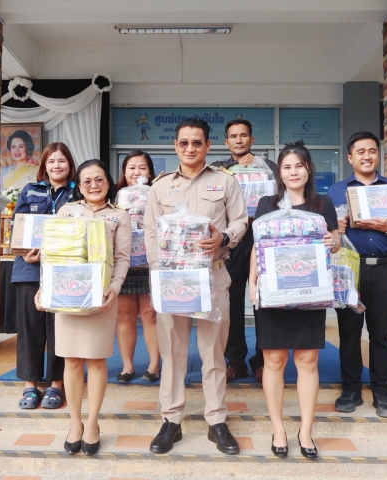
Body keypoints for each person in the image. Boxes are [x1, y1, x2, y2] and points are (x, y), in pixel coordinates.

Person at [143, 117, 248, 455]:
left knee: (213, 353)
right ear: (176, 146)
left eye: (197, 142)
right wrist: (159, 274)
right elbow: (150, 232)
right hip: (172, 280)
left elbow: (241, 221)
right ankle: (171, 421)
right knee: (172, 353)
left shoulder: (225, 181)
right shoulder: (160, 186)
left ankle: (216, 421)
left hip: (212, 276)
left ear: (208, 146)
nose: (190, 148)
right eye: (184, 143)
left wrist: (224, 238)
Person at [248, 141, 340, 459]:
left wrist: (332, 241)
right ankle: (278, 428)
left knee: (307, 361)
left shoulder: (322, 203)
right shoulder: (266, 204)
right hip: (273, 294)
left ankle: (306, 430)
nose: (293, 172)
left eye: (299, 165)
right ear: (280, 173)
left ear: (308, 169)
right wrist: (252, 282)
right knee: (273, 360)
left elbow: (335, 240)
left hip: (309, 293)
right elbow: (257, 246)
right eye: (287, 167)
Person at [37, 159, 131, 456]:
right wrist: (45, 288)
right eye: (87, 180)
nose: (93, 185)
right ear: (78, 185)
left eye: (99, 179)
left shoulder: (119, 215)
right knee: (72, 361)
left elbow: (122, 258)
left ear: (108, 182)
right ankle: (74, 423)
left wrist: (114, 288)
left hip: (101, 297)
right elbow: (50, 254)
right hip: (68, 295)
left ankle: (92, 424)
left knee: (96, 360)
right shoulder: (67, 211)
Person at [327, 131, 387, 419]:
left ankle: (382, 390)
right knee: (349, 332)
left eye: (372, 151)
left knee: (381, 333)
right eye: (360, 152)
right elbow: (326, 232)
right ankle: (351, 389)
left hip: (383, 269)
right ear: (350, 157)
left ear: (378, 155)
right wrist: (335, 228)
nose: (366, 156)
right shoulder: (336, 191)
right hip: (349, 270)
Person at [211, 119, 278, 384]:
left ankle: (262, 361)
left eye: (243, 135)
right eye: (233, 136)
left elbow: (282, 198)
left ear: (252, 140)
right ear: (226, 142)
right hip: (233, 241)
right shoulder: (219, 169)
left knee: (264, 301)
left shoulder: (269, 168)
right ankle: (236, 361)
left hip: (264, 239)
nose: (239, 140)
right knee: (232, 302)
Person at [11, 142, 76, 410]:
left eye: (61, 161)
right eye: (51, 161)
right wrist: (24, 253)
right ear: (44, 166)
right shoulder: (30, 190)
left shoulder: (77, 193)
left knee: (59, 328)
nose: (56, 166)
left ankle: (56, 384)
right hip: (29, 269)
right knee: (30, 328)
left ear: (70, 165)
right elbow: (17, 227)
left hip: (64, 270)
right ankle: (30, 385)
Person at [114, 151, 161, 383]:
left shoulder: (156, 194)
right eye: (131, 168)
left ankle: (154, 364)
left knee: (150, 314)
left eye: (142, 167)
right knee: (125, 315)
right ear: (124, 172)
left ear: (150, 172)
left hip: (150, 261)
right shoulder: (117, 196)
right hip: (124, 262)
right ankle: (127, 366)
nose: (137, 172)